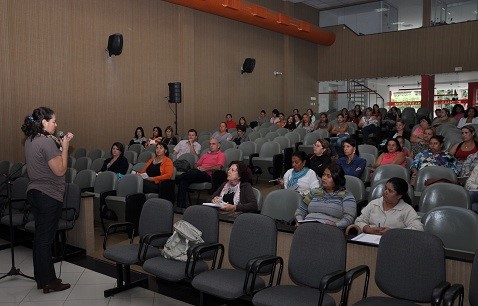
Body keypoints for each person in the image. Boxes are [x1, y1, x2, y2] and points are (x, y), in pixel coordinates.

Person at [22, 107, 72, 292]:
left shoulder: (30, 141)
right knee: (45, 240)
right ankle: (50, 281)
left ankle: (41, 279)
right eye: (53, 121)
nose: (56, 124)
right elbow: (60, 170)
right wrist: (65, 149)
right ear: (43, 122)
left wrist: (58, 149)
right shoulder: (46, 142)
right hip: (48, 196)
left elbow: (44, 163)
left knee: (39, 239)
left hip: (34, 193)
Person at [295, 163, 356, 230]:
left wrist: (336, 225)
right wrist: (299, 221)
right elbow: (300, 211)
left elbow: (349, 217)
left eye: (328, 176)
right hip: (307, 227)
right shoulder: (314, 192)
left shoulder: (346, 196)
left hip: (329, 230)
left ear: (337, 179)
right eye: (323, 174)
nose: (324, 178)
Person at [354, 177, 423, 235]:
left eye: (390, 191)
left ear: (399, 196)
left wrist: (393, 232)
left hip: (393, 244)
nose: (385, 192)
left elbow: (418, 229)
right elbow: (358, 221)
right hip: (370, 241)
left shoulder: (406, 209)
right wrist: (368, 229)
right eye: (385, 188)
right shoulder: (374, 204)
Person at [175, 138, 226, 208]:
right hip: (198, 174)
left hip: (209, 175)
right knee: (184, 181)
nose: (211, 145)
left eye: (213, 144)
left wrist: (204, 169)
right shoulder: (206, 154)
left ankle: (178, 178)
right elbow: (196, 164)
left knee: (193, 172)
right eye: (210, 144)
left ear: (218, 145)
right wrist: (197, 167)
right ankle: (181, 206)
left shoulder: (221, 155)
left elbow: (219, 167)